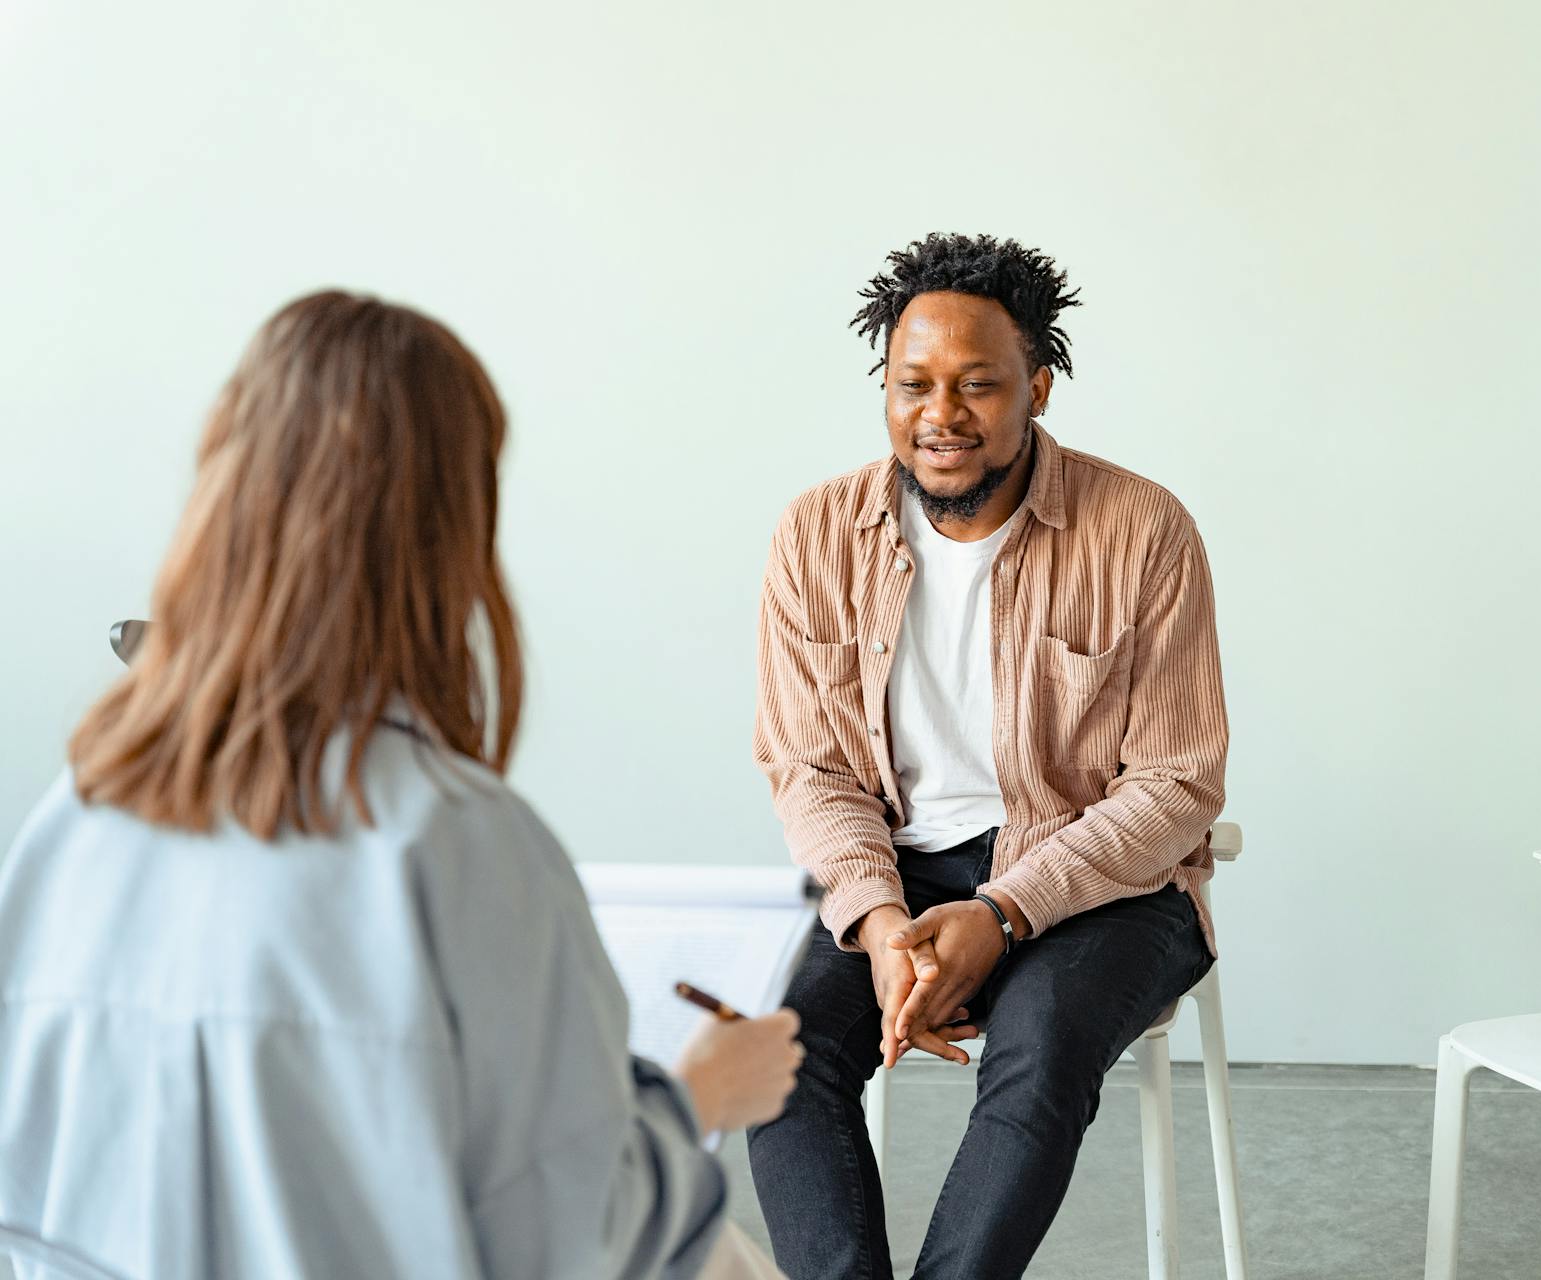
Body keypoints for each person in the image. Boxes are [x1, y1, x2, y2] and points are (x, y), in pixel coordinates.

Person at [0, 291, 801, 1279]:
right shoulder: (460, 845)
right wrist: (691, 1107)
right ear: (452, 532)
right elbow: (570, 1246)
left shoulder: (76, 820)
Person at [747, 234, 1229, 1277]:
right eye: (913, 383)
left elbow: (1179, 780)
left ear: (1038, 387)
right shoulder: (816, 535)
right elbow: (811, 767)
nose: (942, 414)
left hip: (1098, 881)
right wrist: (879, 924)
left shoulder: (1143, 530)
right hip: (896, 871)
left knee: (1040, 1043)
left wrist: (1004, 911)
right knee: (778, 1050)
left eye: (978, 384)